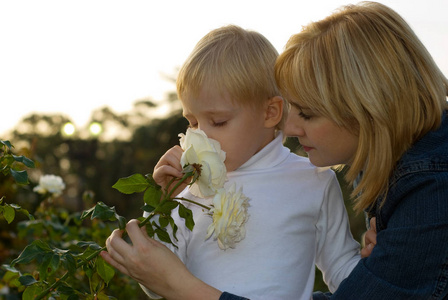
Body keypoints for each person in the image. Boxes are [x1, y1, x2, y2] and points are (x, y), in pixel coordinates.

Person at [101, 24, 363, 299]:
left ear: (270, 113)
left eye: (218, 121)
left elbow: (342, 270)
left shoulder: (314, 181)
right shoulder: (189, 189)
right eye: (191, 122)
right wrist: (162, 202)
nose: (200, 134)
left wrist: (380, 261)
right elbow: (157, 281)